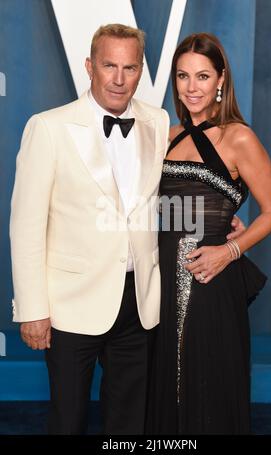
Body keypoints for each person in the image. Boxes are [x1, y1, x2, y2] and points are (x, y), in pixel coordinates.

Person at [9, 23, 170, 435]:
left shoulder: (157, 121)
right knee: (68, 419)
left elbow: (162, 199)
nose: (119, 79)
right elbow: (26, 225)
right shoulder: (48, 127)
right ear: (89, 66)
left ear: (140, 71)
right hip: (69, 305)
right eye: (109, 66)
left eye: (130, 67)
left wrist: (216, 220)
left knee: (130, 421)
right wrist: (33, 310)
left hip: (138, 301)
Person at [146, 33, 271, 435]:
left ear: (221, 80)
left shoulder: (238, 137)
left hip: (211, 280)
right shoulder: (169, 135)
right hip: (163, 283)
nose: (192, 87)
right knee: (166, 384)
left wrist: (229, 250)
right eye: (183, 76)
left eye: (203, 76)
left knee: (209, 382)